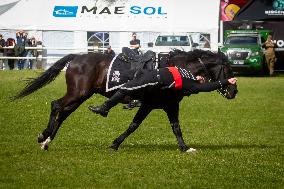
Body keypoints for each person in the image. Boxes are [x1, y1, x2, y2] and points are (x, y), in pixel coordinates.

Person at [88, 66, 237, 117]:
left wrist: (225, 81)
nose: (201, 78)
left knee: (124, 89)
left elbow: (207, 87)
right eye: (201, 77)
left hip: (154, 80)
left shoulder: (193, 86)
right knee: (126, 88)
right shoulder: (189, 73)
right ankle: (106, 108)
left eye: (202, 79)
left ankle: (104, 108)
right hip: (150, 75)